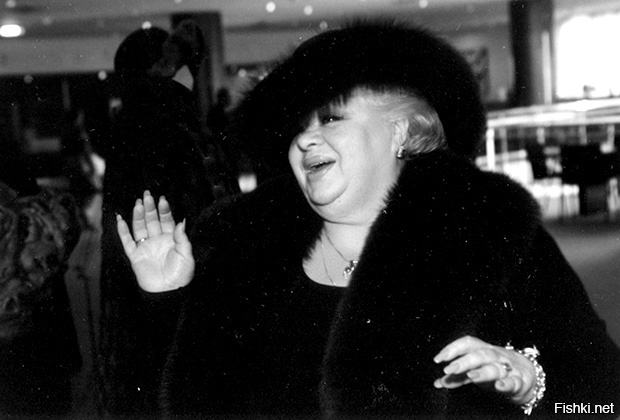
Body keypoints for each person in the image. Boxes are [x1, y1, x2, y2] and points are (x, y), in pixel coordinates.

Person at [116, 20, 620, 418]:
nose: (305, 139)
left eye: (331, 118)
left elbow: (603, 400)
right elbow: (176, 402)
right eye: (297, 128)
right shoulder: (239, 250)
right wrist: (166, 299)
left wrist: (532, 386)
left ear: (403, 131)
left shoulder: (493, 237)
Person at [100, 23, 237, 415]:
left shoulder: (140, 121)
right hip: (182, 283)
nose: (191, 77)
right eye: (183, 67)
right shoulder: (170, 122)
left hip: (159, 284)